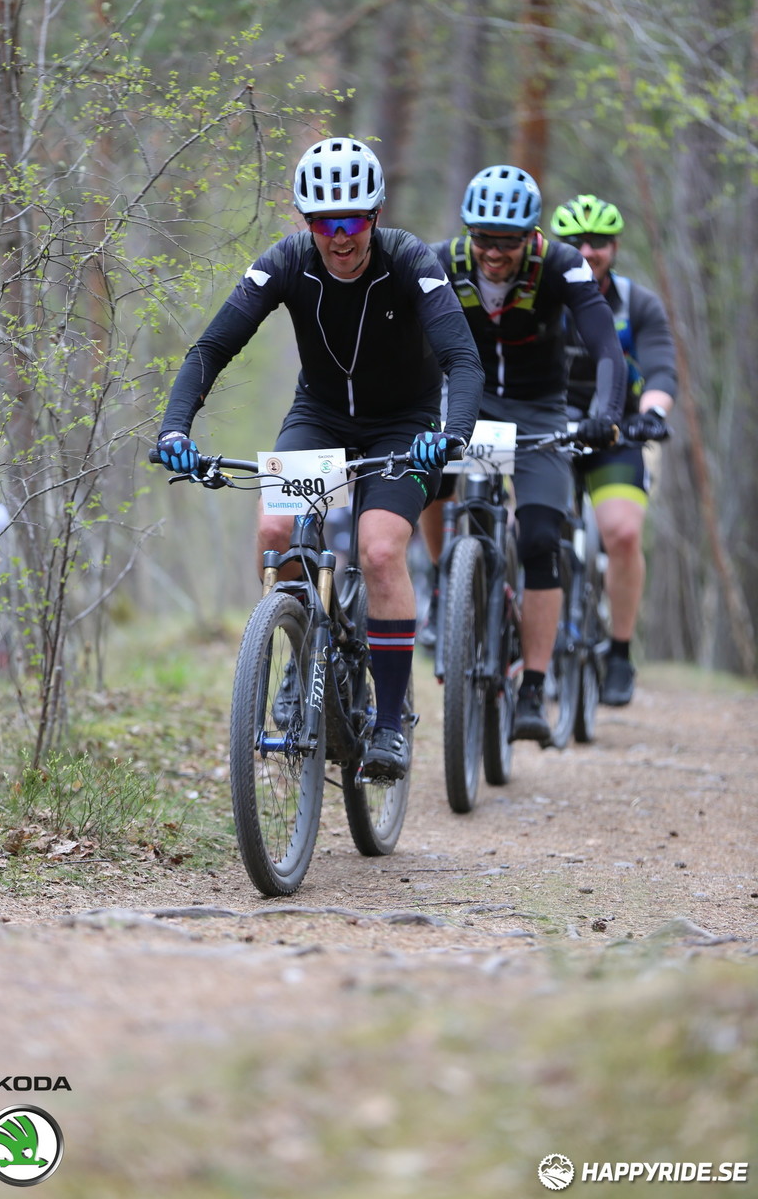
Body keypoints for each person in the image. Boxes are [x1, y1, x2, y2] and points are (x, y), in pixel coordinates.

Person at [155, 137, 483, 781]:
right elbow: (210, 349)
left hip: (404, 426)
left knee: (381, 549)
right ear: (307, 224)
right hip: (321, 416)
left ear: (375, 217)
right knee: (277, 531)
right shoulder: (284, 262)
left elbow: (462, 360)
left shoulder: (412, 261)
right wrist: (174, 430)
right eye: (325, 223)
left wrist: (451, 434)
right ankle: (297, 654)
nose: (340, 237)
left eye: (353, 220)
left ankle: (389, 723)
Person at [420, 164, 627, 745]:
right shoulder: (443, 261)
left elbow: (605, 343)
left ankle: (533, 686)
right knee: (429, 475)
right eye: (484, 238)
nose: (494, 252)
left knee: (540, 538)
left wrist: (605, 413)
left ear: (531, 236)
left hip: (539, 408)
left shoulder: (561, 264)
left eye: (508, 241)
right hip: (462, 398)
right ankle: (444, 578)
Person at [550, 193, 677, 706]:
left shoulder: (637, 304)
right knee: (524, 529)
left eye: (598, 241)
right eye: (575, 241)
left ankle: (620, 653)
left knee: (622, 533)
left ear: (614, 246)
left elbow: (662, 368)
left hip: (618, 431)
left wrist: (654, 412)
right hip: (550, 430)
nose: (587, 250)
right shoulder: (540, 298)